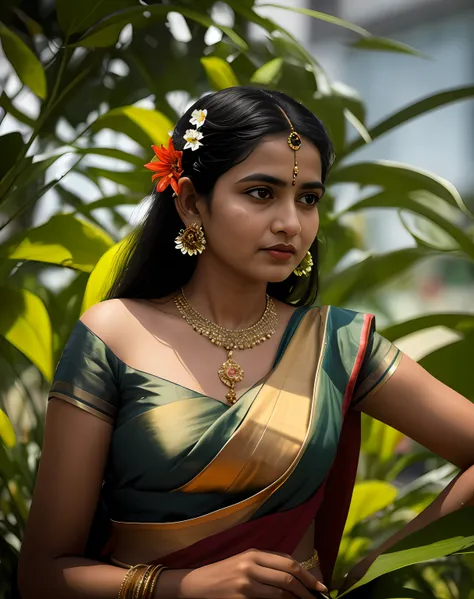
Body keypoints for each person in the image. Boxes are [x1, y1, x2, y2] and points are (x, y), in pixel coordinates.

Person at [17, 86, 474, 599]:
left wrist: (369, 572)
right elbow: (42, 574)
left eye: (308, 199)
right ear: (191, 202)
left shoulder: (340, 344)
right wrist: (183, 587)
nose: (290, 223)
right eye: (261, 193)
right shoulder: (115, 335)